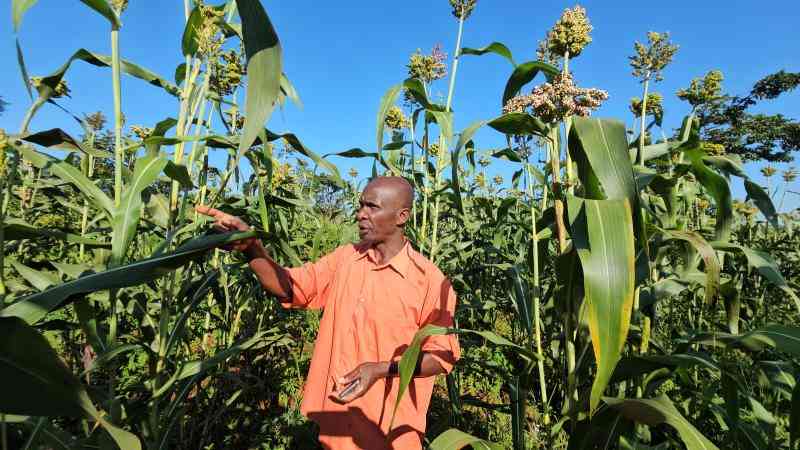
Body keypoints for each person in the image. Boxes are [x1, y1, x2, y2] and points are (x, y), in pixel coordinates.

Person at [196, 176, 460, 450]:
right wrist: (251, 247)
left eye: (372, 207)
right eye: (360, 206)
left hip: (389, 431)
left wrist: (381, 369)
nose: (360, 215)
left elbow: (441, 357)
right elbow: (290, 288)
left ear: (401, 216)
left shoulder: (429, 281)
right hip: (336, 423)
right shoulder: (346, 259)